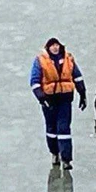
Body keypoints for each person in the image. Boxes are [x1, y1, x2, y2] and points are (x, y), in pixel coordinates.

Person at [30, 37, 87, 171]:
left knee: (64, 128)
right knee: (51, 129)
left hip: (65, 99)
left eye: (57, 45)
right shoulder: (40, 61)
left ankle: (66, 159)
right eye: (52, 46)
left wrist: (82, 94)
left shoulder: (68, 59)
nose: (55, 47)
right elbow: (34, 80)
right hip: (49, 99)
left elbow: (77, 76)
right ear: (48, 48)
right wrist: (40, 97)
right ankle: (55, 153)